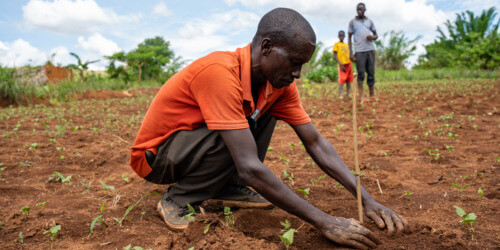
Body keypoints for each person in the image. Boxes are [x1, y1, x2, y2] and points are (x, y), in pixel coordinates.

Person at [130, 8, 407, 249]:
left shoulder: (279, 85)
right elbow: (249, 166)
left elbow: (315, 142)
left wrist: (366, 199)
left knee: (260, 115)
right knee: (237, 133)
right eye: (294, 62)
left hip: (194, 149)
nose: (297, 73)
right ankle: (179, 199)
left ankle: (226, 188)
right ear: (266, 47)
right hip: (158, 157)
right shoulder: (219, 73)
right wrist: (324, 221)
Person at [348, 2, 378, 102]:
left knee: (371, 72)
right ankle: (361, 96)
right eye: (358, 9)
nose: (359, 11)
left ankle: (372, 95)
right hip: (359, 51)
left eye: (361, 9)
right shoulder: (353, 22)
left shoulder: (369, 21)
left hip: (370, 50)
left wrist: (372, 37)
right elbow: (349, 37)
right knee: (360, 73)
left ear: (365, 10)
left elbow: (376, 35)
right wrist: (351, 53)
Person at [333, 30, 353, 99]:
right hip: (342, 64)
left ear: (344, 36)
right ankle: (340, 95)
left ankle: (347, 94)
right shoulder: (337, 45)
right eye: (340, 35)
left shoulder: (347, 45)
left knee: (349, 79)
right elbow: (335, 55)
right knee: (341, 79)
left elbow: (350, 54)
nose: (341, 37)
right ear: (338, 36)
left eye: (342, 35)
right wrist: (340, 64)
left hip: (348, 64)